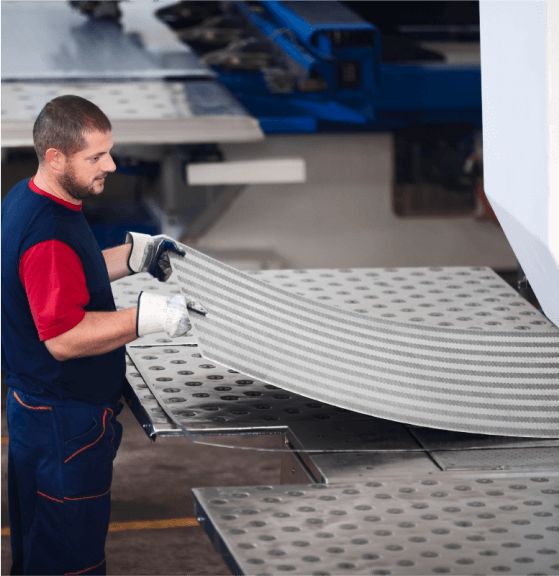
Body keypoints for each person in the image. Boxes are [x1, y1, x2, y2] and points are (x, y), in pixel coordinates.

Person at [1, 95, 191, 576]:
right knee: (69, 561)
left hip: (38, 413)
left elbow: (66, 278)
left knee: (40, 547)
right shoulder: (47, 235)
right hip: (64, 425)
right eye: (95, 157)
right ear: (55, 156)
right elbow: (63, 337)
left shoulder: (32, 198)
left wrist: (132, 257)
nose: (110, 164)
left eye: (109, 151)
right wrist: (150, 316)